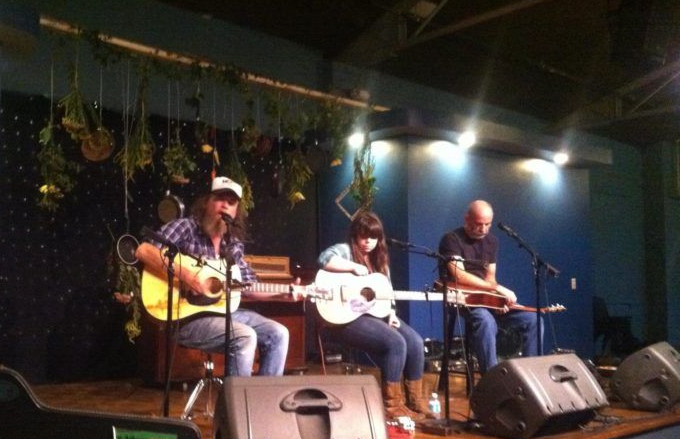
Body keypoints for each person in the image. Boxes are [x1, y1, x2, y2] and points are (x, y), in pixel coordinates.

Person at [136, 176, 295, 377]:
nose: (225, 206)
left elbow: (248, 286)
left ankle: (260, 404)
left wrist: (284, 294)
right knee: (245, 336)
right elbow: (143, 250)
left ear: (236, 211)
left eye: (231, 202)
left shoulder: (233, 244)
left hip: (225, 314)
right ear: (207, 202)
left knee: (278, 333)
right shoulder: (186, 228)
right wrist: (189, 277)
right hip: (186, 319)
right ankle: (234, 406)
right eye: (220, 199)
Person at [317, 211, 428, 419]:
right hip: (347, 317)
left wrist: (392, 312)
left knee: (414, 341)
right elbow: (324, 259)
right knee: (396, 342)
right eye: (363, 236)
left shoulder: (380, 260)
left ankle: (415, 401)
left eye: (374, 237)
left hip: (375, 313)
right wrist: (353, 267)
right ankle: (391, 406)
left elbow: (385, 290)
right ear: (354, 235)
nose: (368, 242)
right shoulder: (345, 251)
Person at [438, 200, 542, 373]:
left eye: (488, 224)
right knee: (486, 321)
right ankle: (492, 380)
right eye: (479, 224)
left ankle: (531, 375)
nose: (484, 229)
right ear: (467, 219)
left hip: (487, 298)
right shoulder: (451, 239)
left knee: (534, 320)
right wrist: (494, 290)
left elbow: (490, 278)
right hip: (465, 300)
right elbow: (459, 275)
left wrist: (498, 300)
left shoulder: (492, 241)